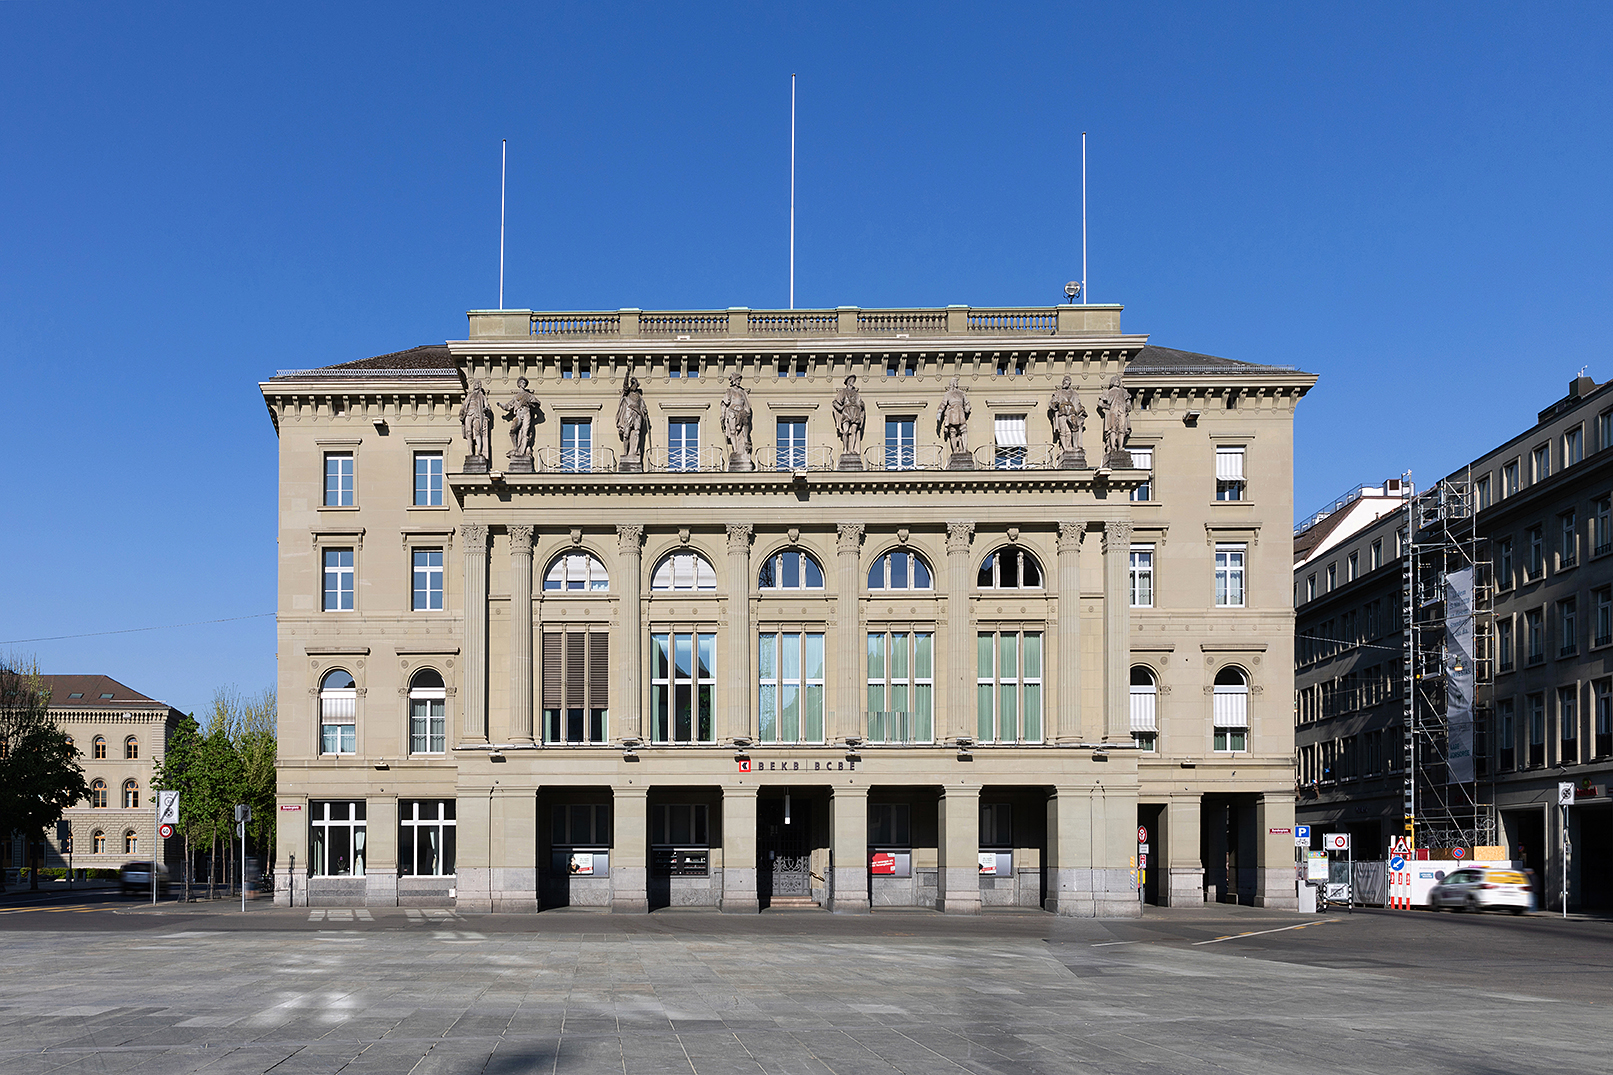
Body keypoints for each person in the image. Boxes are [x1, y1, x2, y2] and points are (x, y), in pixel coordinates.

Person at [499, 376, 539, 460]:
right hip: (518, 414)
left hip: (526, 412)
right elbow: (509, 406)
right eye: (521, 382)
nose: (523, 384)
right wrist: (501, 405)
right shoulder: (516, 397)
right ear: (519, 384)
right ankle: (515, 447)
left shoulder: (528, 395)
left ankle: (522, 452)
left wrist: (531, 403)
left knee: (525, 433)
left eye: (524, 383)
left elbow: (537, 403)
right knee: (512, 431)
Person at [1096, 375, 1132, 464]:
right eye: (1115, 380)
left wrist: (1128, 407)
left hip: (1122, 412)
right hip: (1113, 412)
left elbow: (1128, 402)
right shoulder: (1108, 392)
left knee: (1121, 430)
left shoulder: (1123, 392)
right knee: (1113, 429)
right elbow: (1100, 403)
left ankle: (1120, 447)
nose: (1117, 381)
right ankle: (1113, 447)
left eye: (1118, 380)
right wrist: (1106, 407)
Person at [1047, 375, 1086, 458]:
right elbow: (1051, 403)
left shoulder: (1075, 394)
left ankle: (1068, 447)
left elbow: (1078, 404)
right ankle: (1064, 448)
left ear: (1070, 383)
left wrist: (1081, 410)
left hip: (1071, 412)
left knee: (1069, 431)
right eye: (1064, 381)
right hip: (1062, 412)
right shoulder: (1058, 393)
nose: (1065, 382)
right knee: (1063, 431)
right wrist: (1054, 405)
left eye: (1067, 380)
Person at [615, 374, 648, 464]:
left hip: (637, 414)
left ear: (636, 385)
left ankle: (636, 451)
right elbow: (625, 385)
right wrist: (627, 373)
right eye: (632, 383)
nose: (632, 385)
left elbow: (642, 405)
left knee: (637, 432)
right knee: (626, 434)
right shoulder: (627, 393)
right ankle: (625, 452)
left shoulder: (639, 396)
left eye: (634, 384)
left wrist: (644, 410)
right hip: (629, 413)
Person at [720, 371, 752, 459]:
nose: (739, 381)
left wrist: (747, 412)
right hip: (732, 413)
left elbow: (746, 404)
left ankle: (745, 445)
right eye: (737, 379)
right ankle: (735, 450)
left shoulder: (742, 392)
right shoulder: (730, 391)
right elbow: (724, 403)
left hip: (741, 413)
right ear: (734, 380)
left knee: (744, 431)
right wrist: (723, 415)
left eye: (739, 380)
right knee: (733, 431)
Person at [460, 378, 493, 461]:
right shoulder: (470, 395)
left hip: (477, 414)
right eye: (475, 384)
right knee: (468, 433)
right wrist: (461, 413)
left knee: (478, 432)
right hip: (469, 414)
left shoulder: (481, 396)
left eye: (478, 384)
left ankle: (479, 451)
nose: (476, 385)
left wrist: (485, 409)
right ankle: (471, 452)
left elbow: (487, 406)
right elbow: (464, 405)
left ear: (480, 386)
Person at [937, 376, 971, 457]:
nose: (956, 383)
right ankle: (955, 451)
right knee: (952, 432)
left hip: (961, 412)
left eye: (956, 382)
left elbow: (967, 403)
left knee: (964, 430)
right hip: (952, 413)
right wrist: (939, 412)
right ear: (951, 383)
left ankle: (964, 449)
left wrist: (967, 408)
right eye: (954, 382)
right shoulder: (948, 394)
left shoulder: (962, 393)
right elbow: (943, 404)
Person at [832, 375, 865, 455]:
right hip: (846, 412)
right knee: (845, 431)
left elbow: (861, 403)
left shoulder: (856, 394)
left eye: (853, 381)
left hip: (855, 412)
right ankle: (845, 449)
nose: (852, 382)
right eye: (851, 380)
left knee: (854, 431)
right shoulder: (843, 392)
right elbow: (835, 402)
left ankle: (852, 449)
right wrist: (841, 407)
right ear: (847, 382)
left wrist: (861, 404)